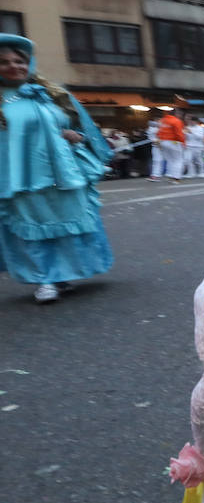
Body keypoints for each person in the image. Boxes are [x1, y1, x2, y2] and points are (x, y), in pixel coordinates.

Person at [0, 34, 113, 303]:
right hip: (21, 178)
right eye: (4, 62)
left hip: (64, 173)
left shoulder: (52, 93)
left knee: (65, 224)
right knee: (32, 225)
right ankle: (44, 279)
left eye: (19, 61)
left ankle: (61, 274)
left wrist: (76, 136)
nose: (13, 66)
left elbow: (79, 127)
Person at [157, 108, 186, 183]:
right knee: (178, 160)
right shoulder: (177, 121)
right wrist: (183, 143)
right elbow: (179, 134)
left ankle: (170, 175)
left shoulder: (163, 120)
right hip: (174, 142)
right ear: (176, 114)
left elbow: (159, 132)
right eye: (180, 114)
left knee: (170, 160)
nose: (181, 116)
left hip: (163, 141)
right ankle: (176, 178)